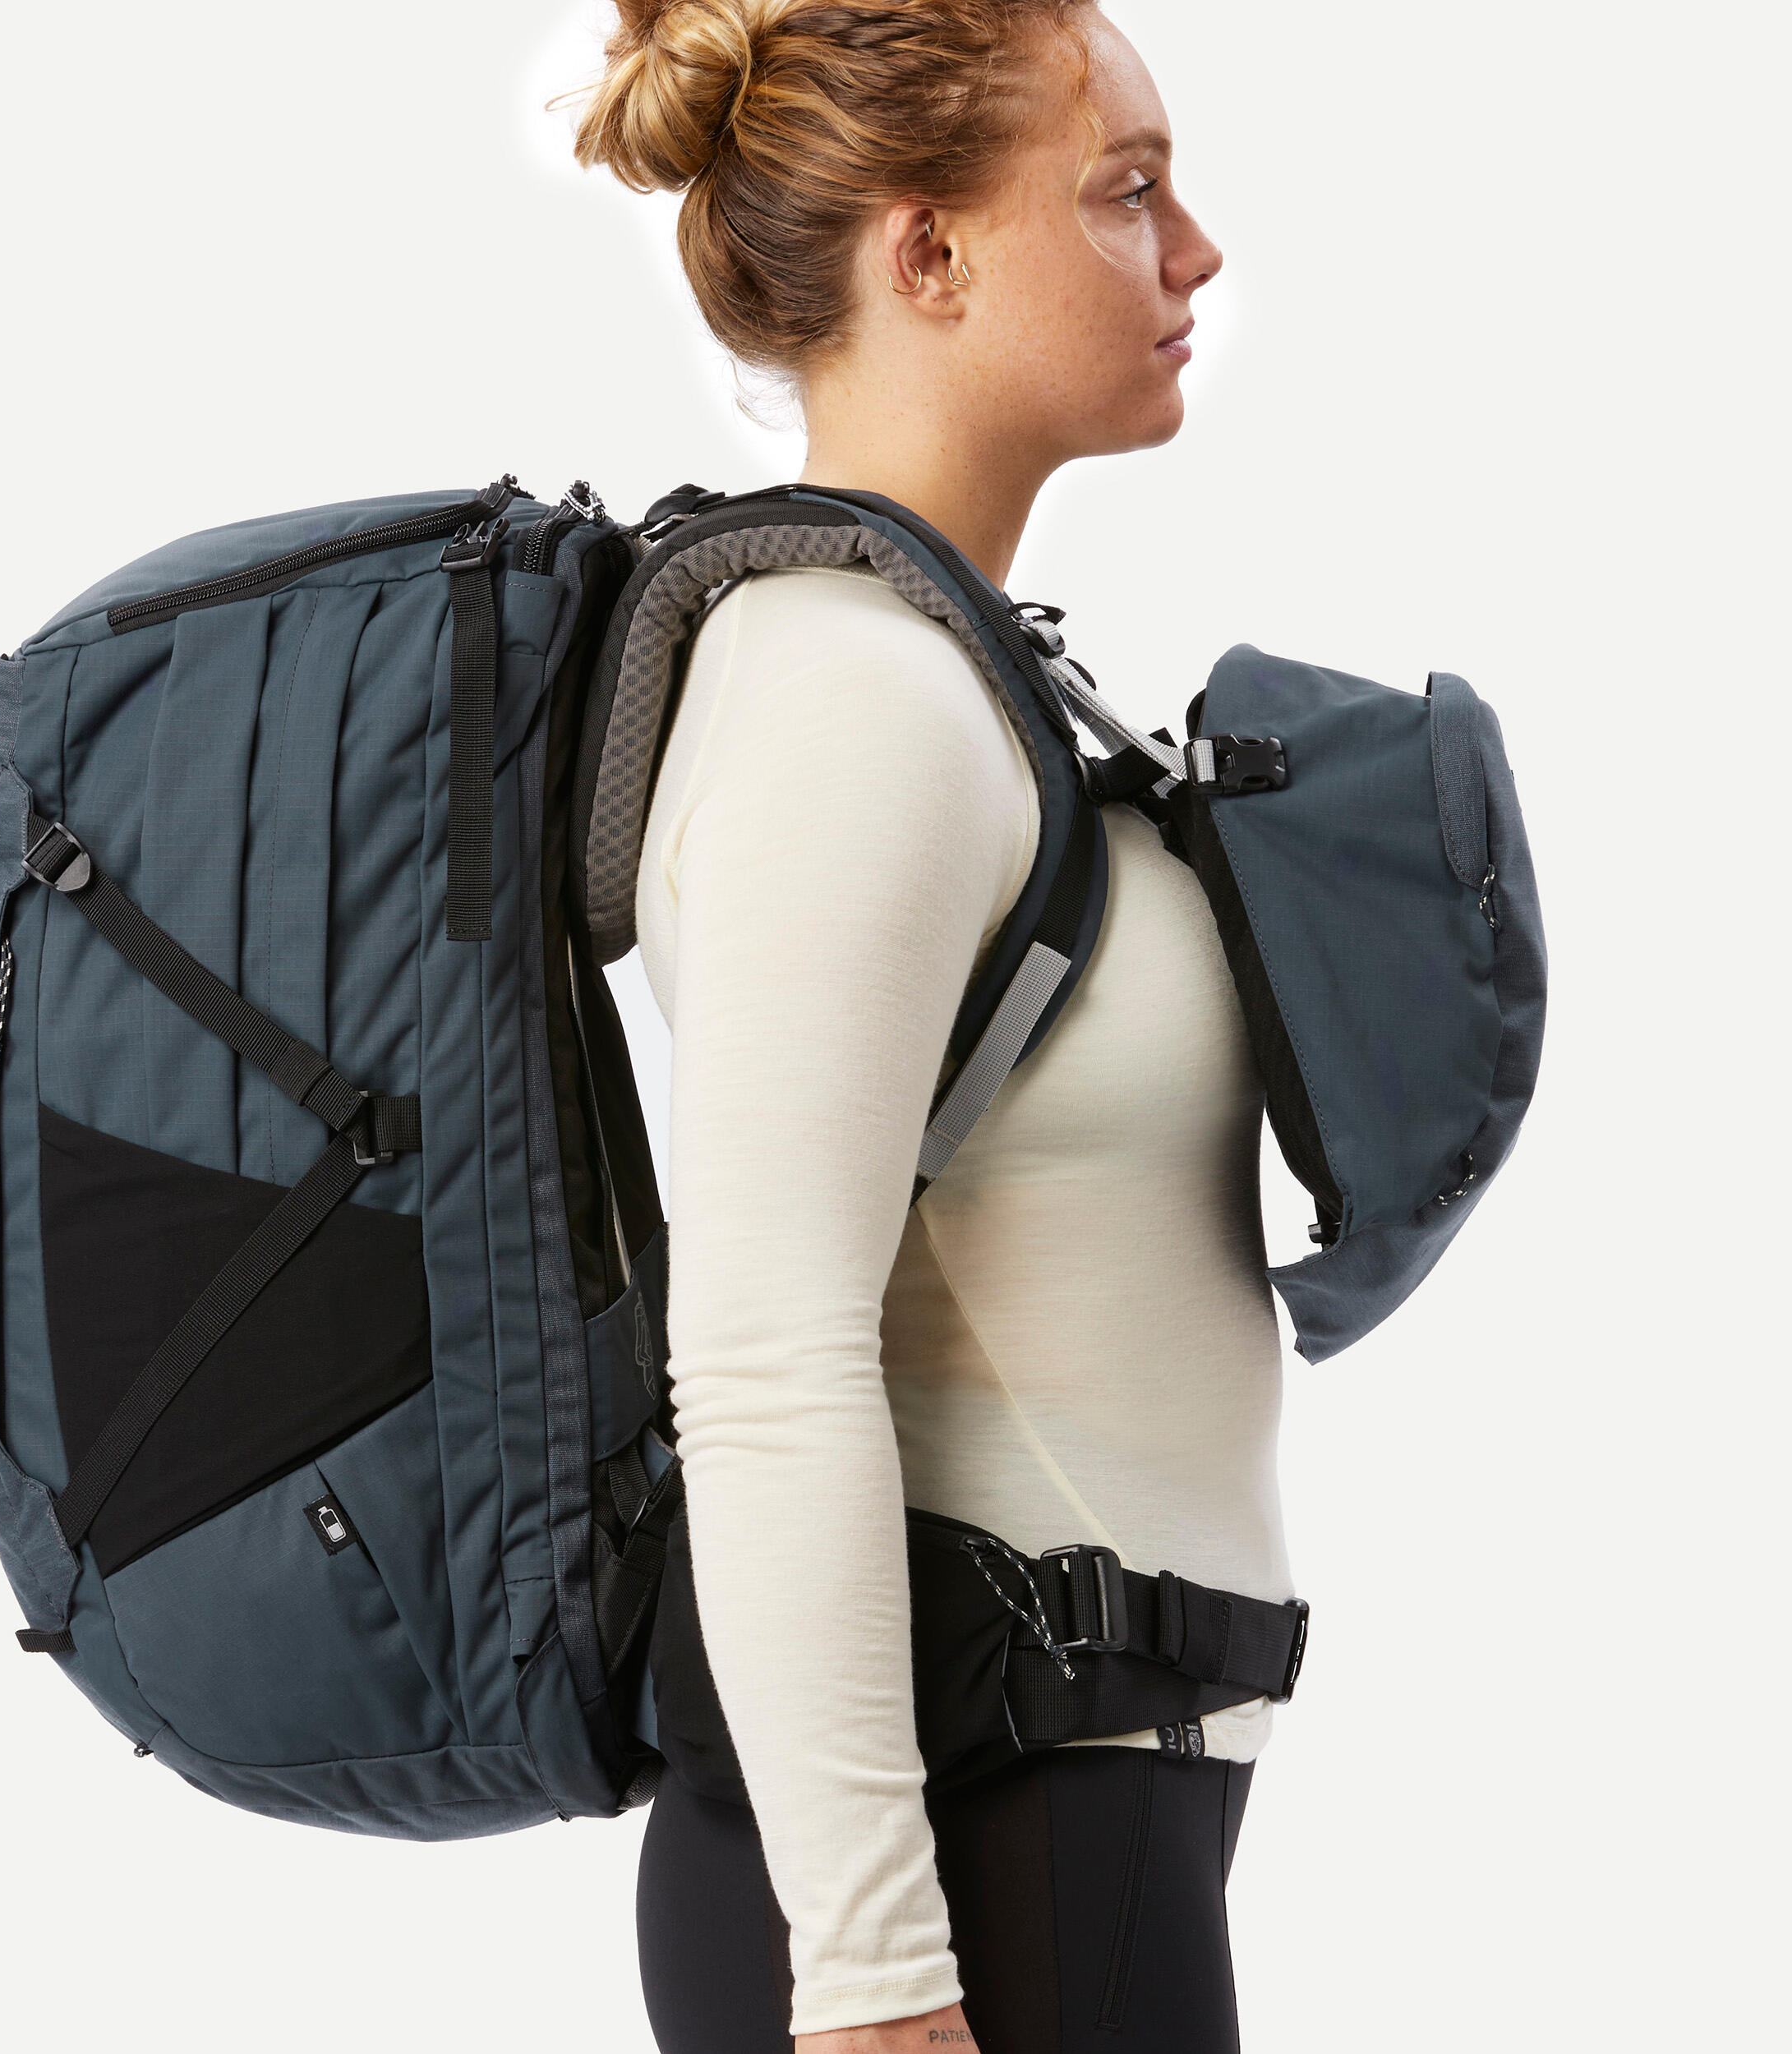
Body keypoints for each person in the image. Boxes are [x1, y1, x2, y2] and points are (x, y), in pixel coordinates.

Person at [575, 6, 1276, 2049]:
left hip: (1066, 1807)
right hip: (967, 1864)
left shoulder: (950, 672)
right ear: (929, 253)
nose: (1194, 250)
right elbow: (762, 1353)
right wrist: (874, 1972)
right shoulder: (848, 700)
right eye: (1124, 190)